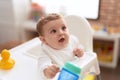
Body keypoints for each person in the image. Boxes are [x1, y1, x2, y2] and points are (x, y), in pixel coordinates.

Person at [36, 13, 84, 80]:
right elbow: (42, 65)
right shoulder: (46, 52)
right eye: (53, 31)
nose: (61, 33)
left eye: (63, 28)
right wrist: (47, 71)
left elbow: (81, 47)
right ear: (44, 40)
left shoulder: (72, 40)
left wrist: (80, 52)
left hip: (77, 73)